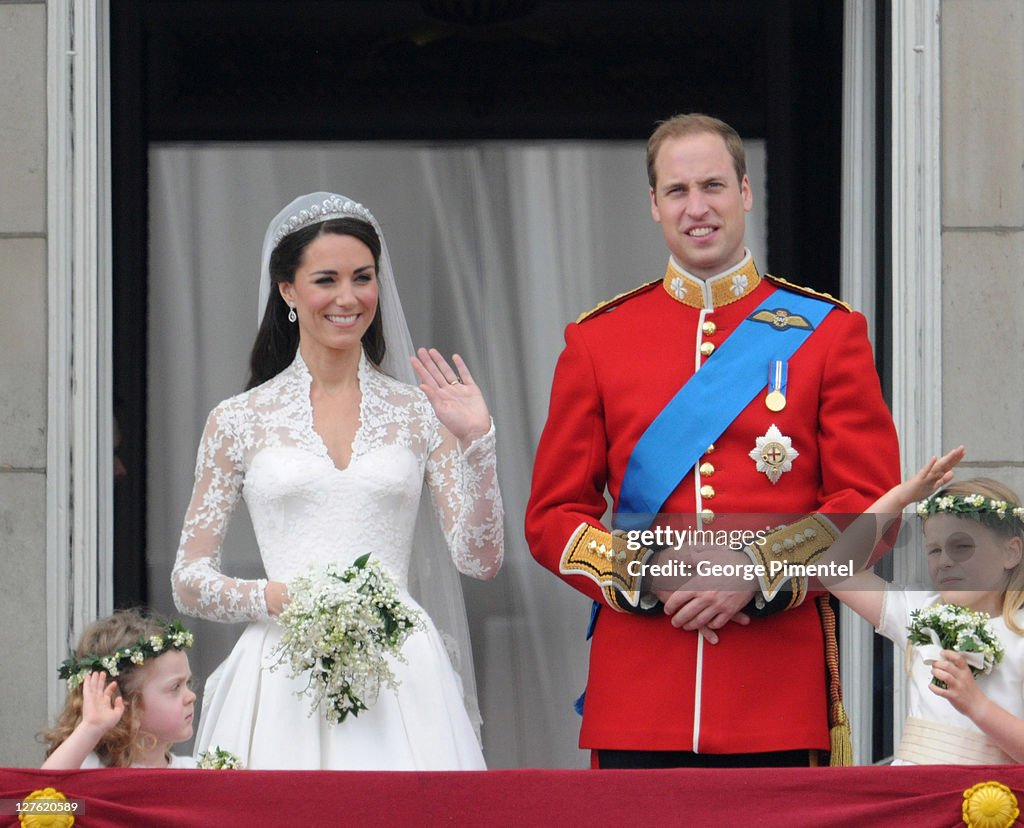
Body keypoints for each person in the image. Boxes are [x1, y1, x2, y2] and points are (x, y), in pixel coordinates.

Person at [525, 113, 901, 768]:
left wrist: (754, 572)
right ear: (653, 205)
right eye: (677, 191)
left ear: (745, 192)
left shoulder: (828, 333)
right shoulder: (598, 340)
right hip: (640, 697)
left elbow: (871, 508)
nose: (697, 208)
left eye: (713, 186)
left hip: (774, 696)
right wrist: (648, 572)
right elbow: (552, 517)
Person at [171, 192, 503, 770]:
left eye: (363, 277)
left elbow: (479, 560)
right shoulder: (238, 419)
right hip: (280, 673)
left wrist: (478, 443)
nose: (348, 298)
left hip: (402, 671)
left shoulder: (420, 412)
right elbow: (188, 580)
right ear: (288, 291)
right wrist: (275, 598)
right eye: (326, 279)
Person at [822, 449, 1024, 764]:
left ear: (1011, 553)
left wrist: (977, 706)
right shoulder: (921, 614)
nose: (944, 561)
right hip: (917, 795)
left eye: (961, 547)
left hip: (994, 805)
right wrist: (902, 496)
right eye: (934, 550)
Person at [42, 608, 198, 769]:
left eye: (188, 683)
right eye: (175, 687)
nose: (191, 696)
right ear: (127, 704)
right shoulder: (89, 767)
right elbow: (43, 790)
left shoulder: (195, 772)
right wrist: (91, 727)